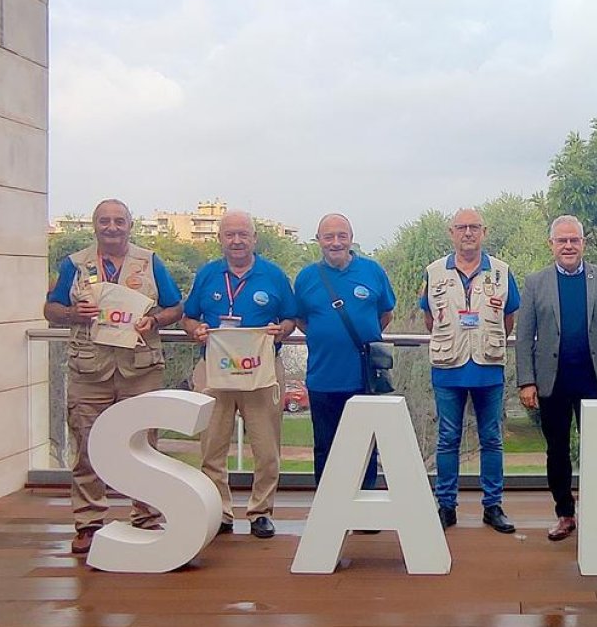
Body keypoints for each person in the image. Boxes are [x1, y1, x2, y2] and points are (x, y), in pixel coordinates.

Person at [44, 199, 184, 554]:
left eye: (119, 221)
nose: (112, 227)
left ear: (129, 226)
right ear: (95, 225)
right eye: (104, 221)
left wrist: (155, 320)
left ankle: (146, 517)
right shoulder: (75, 264)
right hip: (89, 369)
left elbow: (176, 306)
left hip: (140, 368)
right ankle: (89, 523)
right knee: (87, 445)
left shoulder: (150, 261)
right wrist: (73, 313)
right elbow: (50, 308)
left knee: (144, 445)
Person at [181, 211, 297, 539]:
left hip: (260, 371)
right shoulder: (207, 274)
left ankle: (261, 511)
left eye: (243, 234)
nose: (236, 241)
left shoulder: (273, 275)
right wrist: (195, 330)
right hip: (214, 371)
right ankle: (219, 511)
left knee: (267, 448)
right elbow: (188, 318)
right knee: (212, 446)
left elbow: (291, 318)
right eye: (230, 235)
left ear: (254, 238)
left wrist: (281, 330)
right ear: (220, 238)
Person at [515, 215, 597, 541]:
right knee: (557, 451)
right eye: (561, 240)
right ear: (551, 244)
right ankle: (565, 514)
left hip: (595, 381)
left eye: (573, 240)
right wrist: (527, 381)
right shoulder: (535, 282)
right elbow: (524, 337)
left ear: (583, 244)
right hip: (552, 382)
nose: (568, 246)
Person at [420, 208, 521, 533]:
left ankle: (493, 506)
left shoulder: (502, 272)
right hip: (448, 368)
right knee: (448, 438)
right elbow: (429, 319)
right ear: (451, 233)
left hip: (488, 367)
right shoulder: (434, 271)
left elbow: (508, 319)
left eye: (474, 227)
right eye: (461, 227)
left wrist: (486, 340)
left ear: (484, 232)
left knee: (491, 438)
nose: (468, 233)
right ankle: (446, 506)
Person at [294, 214, 396, 490]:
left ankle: (364, 505)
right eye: (329, 237)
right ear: (319, 240)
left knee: (365, 447)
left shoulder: (372, 271)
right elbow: (300, 319)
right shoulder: (306, 277)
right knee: (325, 448)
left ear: (351, 238)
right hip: (323, 378)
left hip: (364, 379)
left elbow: (386, 314)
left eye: (342, 236)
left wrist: (362, 337)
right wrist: (325, 336)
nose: (336, 242)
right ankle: (327, 505)